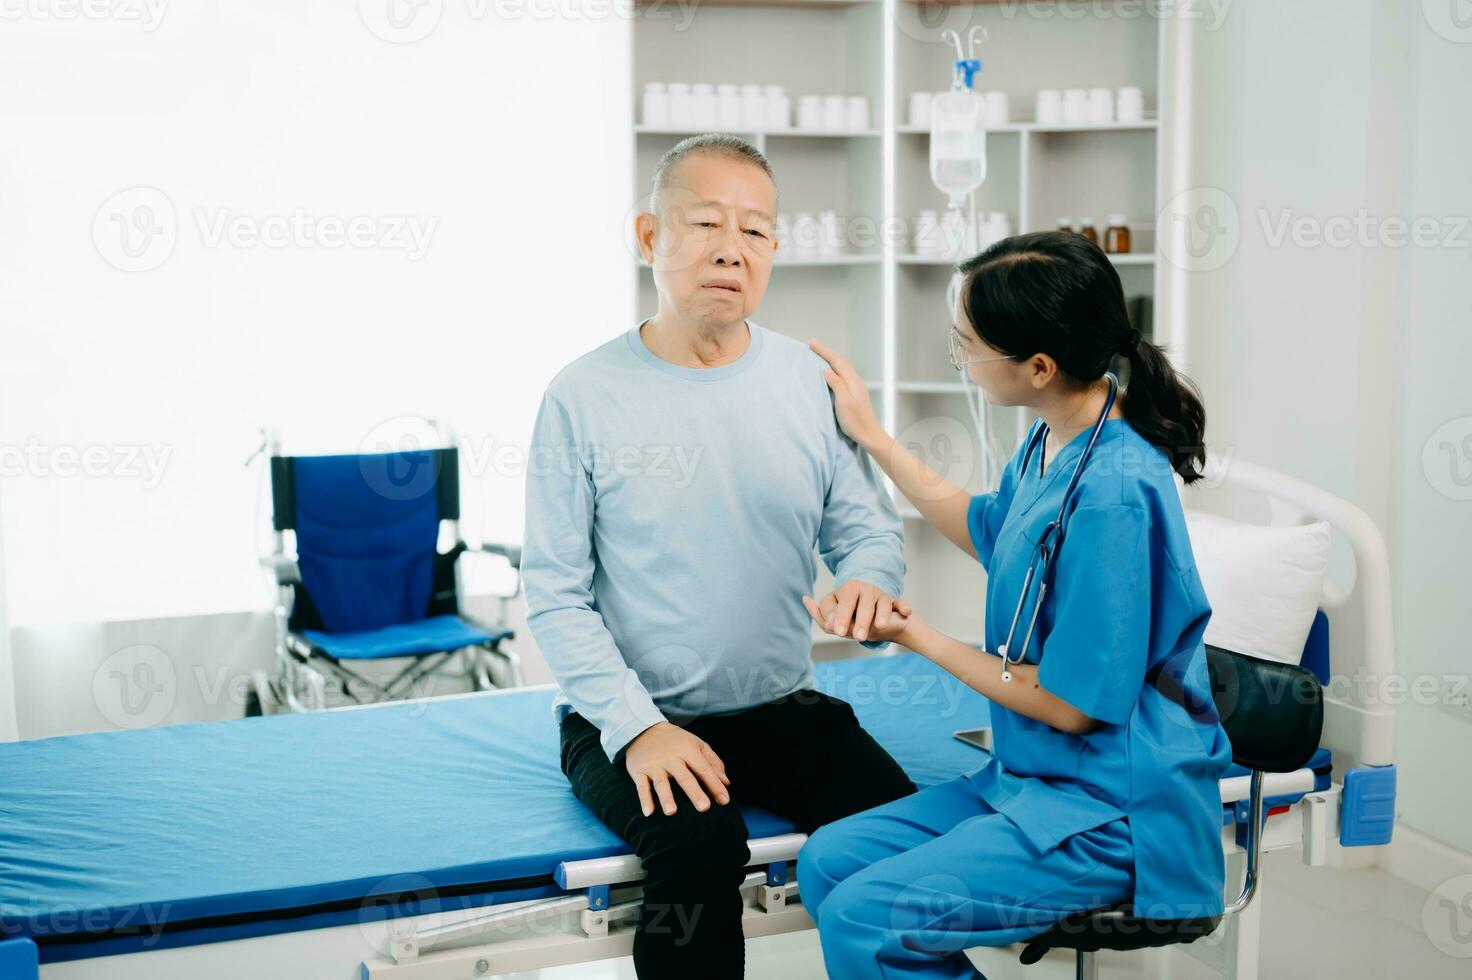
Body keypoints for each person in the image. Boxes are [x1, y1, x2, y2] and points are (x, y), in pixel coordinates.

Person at [521, 134, 917, 980]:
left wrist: (868, 586)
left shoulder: (807, 384)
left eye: (757, 231)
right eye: (705, 222)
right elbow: (553, 595)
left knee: (907, 835)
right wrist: (638, 731)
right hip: (629, 720)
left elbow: (868, 531)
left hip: (778, 708)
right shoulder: (581, 396)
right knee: (699, 851)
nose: (732, 249)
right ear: (649, 236)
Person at [796, 231, 1233, 979]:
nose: (960, 358)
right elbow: (987, 528)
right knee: (826, 862)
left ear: (1038, 366)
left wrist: (918, 636)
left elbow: (1071, 707)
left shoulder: (1117, 492)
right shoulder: (1054, 438)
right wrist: (871, 436)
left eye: (969, 345)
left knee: (864, 918)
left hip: (1110, 814)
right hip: (1031, 783)